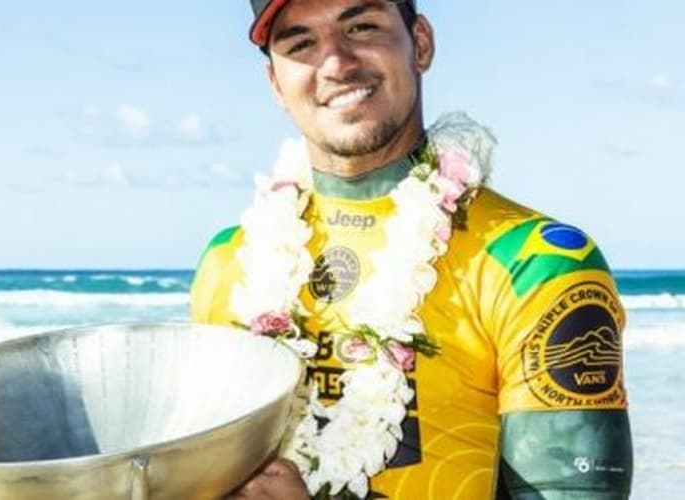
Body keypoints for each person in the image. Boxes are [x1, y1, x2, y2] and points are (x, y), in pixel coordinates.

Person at [190, 0, 633, 498]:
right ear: (276, 82)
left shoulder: (536, 266)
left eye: (361, 26)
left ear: (420, 43)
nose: (335, 62)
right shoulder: (231, 265)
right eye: (301, 44)